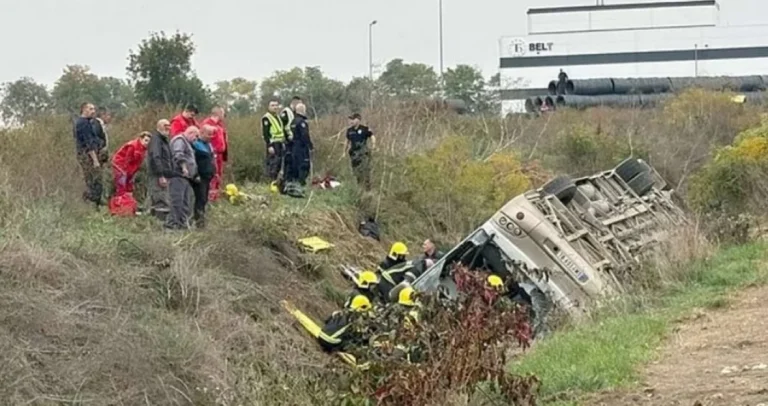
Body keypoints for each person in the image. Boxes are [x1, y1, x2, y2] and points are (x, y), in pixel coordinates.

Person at [165, 126, 199, 230]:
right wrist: (184, 167)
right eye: (196, 136)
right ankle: (171, 225)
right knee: (177, 201)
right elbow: (178, 154)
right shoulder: (179, 140)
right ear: (190, 132)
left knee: (185, 202)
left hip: (186, 178)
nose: (196, 139)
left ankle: (183, 224)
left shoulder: (187, 143)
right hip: (178, 175)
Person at [73, 102, 104, 208]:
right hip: (87, 156)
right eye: (91, 109)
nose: (93, 111)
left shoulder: (88, 122)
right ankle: (89, 200)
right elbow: (88, 143)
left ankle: (94, 203)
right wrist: (95, 160)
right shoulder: (83, 123)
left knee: (94, 180)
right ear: (84, 110)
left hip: (88, 154)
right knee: (95, 180)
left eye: (94, 109)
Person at [146, 119, 174, 221]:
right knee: (161, 200)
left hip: (164, 174)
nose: (168, 127)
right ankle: (161, 225)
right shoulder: (156, 140)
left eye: (169, 125)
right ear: (158, 126)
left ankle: (152, 221)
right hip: (157, 175)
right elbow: (155, 157)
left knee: (156, 198)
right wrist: (161, 175)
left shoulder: (164, 139)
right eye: (165, 125)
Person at [191, 125, 216, 228]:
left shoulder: (209, 145)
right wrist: (195, 174)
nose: (211, 136)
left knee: (204, 199)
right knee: (200, 199)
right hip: (199, 177)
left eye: (212, 134)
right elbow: (192, 161)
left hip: (207, 176)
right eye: (209, 134)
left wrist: (215, 172)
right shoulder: (195, 145)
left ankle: (202, 220)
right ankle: (198, 222)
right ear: (201, 133)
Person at [200, 106, 228, 202]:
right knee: (212, 175)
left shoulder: (220, 125)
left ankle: (215, 196)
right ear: (218, 113)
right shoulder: (207, 124)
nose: (224, 116)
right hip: (212, 154)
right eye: (223, 113)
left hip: (220, 154)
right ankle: (210, 198)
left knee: (218, 175)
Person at [112, 131, 151, 197]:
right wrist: (126, 172)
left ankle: (127, 201)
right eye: (146, 140)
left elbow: (137, 163)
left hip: (131, 168)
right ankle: (120, 201)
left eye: (149, 142)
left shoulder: (144, 149)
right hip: (120, 164)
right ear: (141, 139)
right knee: (122, 184)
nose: (147, 143)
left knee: (129, 186)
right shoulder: (133, 146)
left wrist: (132, 173)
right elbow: (127, 160)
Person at [344, 113, 376, 190]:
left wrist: (373, 146)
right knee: (356, 171)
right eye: (350, 119)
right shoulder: (349, 130)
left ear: (358, 120)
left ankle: (367, 188)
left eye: (353, 119)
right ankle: (359, 187)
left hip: (363, 153)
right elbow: (347, 141)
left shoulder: (364, 129)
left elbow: (372, 136)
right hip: (353, 154)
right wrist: (344, 151)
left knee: (365, 171)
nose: (351, 121)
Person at [287, 102, 314, 186]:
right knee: (303, 164)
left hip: (293, 146)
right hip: (301, 147)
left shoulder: (293, 121)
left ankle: (295, 181)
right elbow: (304, 135)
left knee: (295, 164)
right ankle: (301, 183)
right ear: (303, 110)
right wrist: (310, 146)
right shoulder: (302, 122)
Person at [262, 98, 287, 182]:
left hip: (280, 142)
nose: (275, 107)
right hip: (273, 144)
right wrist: (269, 145)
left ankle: (276, 181)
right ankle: (270, 181)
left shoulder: (278, 117)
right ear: (268, 107)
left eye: (276, 105)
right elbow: (266, 133)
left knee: (279, 163)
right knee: (273, 163)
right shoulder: (266, 118)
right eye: (273, 105)